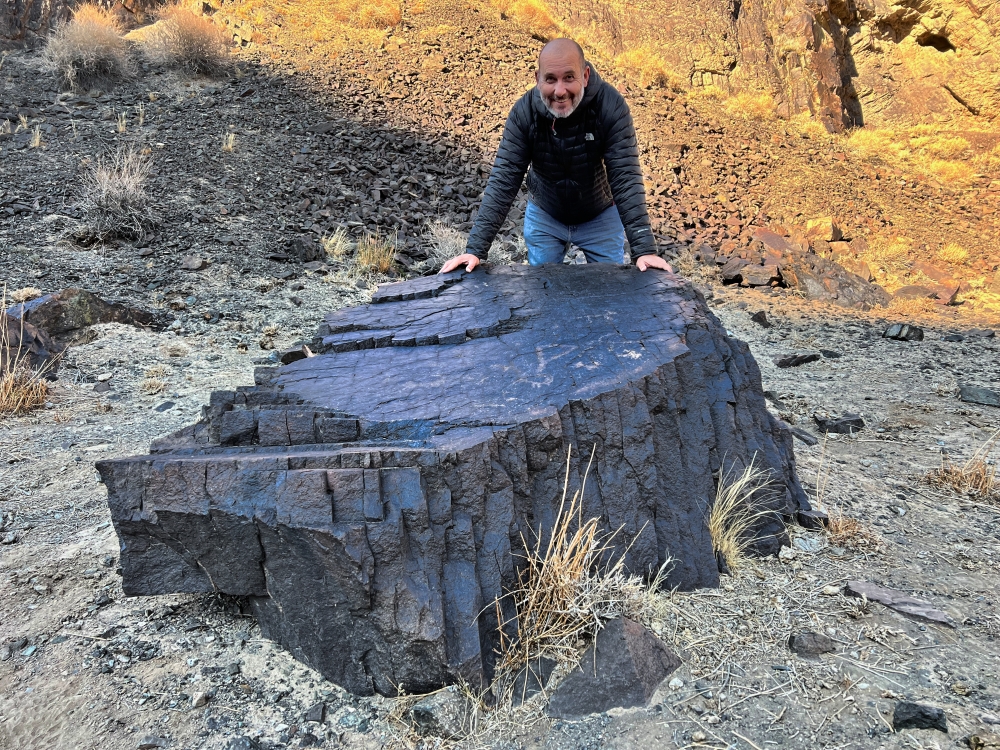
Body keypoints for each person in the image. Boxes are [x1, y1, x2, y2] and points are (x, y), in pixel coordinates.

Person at [440, 37, 672, 274]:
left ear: (585, 76)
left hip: (599, 215)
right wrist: (475, 249)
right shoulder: (524, 112)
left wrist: (644, 249)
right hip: (546, 216)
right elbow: (504, 177)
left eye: (569, 78)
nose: (560, 91)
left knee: (608, 292)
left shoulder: (610, 106)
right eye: (550, 79)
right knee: (542, 291)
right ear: (537, 79)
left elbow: (625, 175)